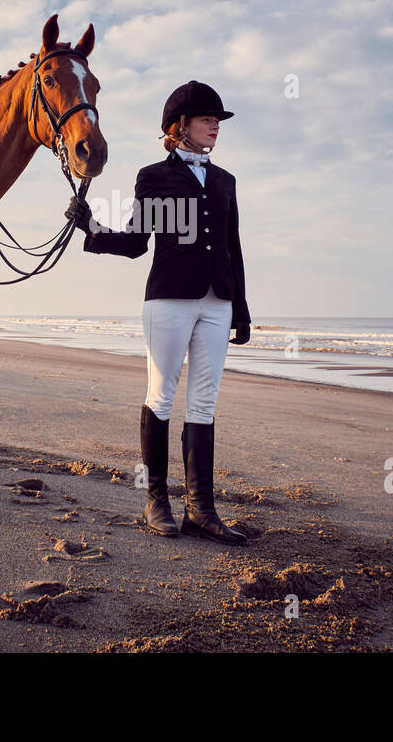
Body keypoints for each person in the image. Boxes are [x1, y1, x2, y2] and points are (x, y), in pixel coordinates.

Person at [66, 80, 251, 545]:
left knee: (205, 402)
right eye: (208, 119)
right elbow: (135, 243)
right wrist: (90, 226)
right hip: (168, 298)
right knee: (162, 395)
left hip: (218, 301)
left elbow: (233, 248)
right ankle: (157, 501)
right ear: (180, 126)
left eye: (217, 121)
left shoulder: (226, 181)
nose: (215, 127)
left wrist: (241, 309)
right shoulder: (153, 176)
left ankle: (202, 510)